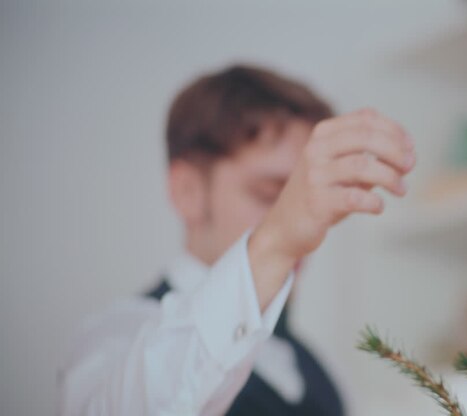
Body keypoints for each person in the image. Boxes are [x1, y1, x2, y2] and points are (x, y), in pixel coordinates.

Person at [58, 65, 416, 415]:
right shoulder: (116, 338)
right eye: (269, 193)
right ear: (187, 191)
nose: (303, 216)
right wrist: (275, 241)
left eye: (305, 192)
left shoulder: (324, 373)